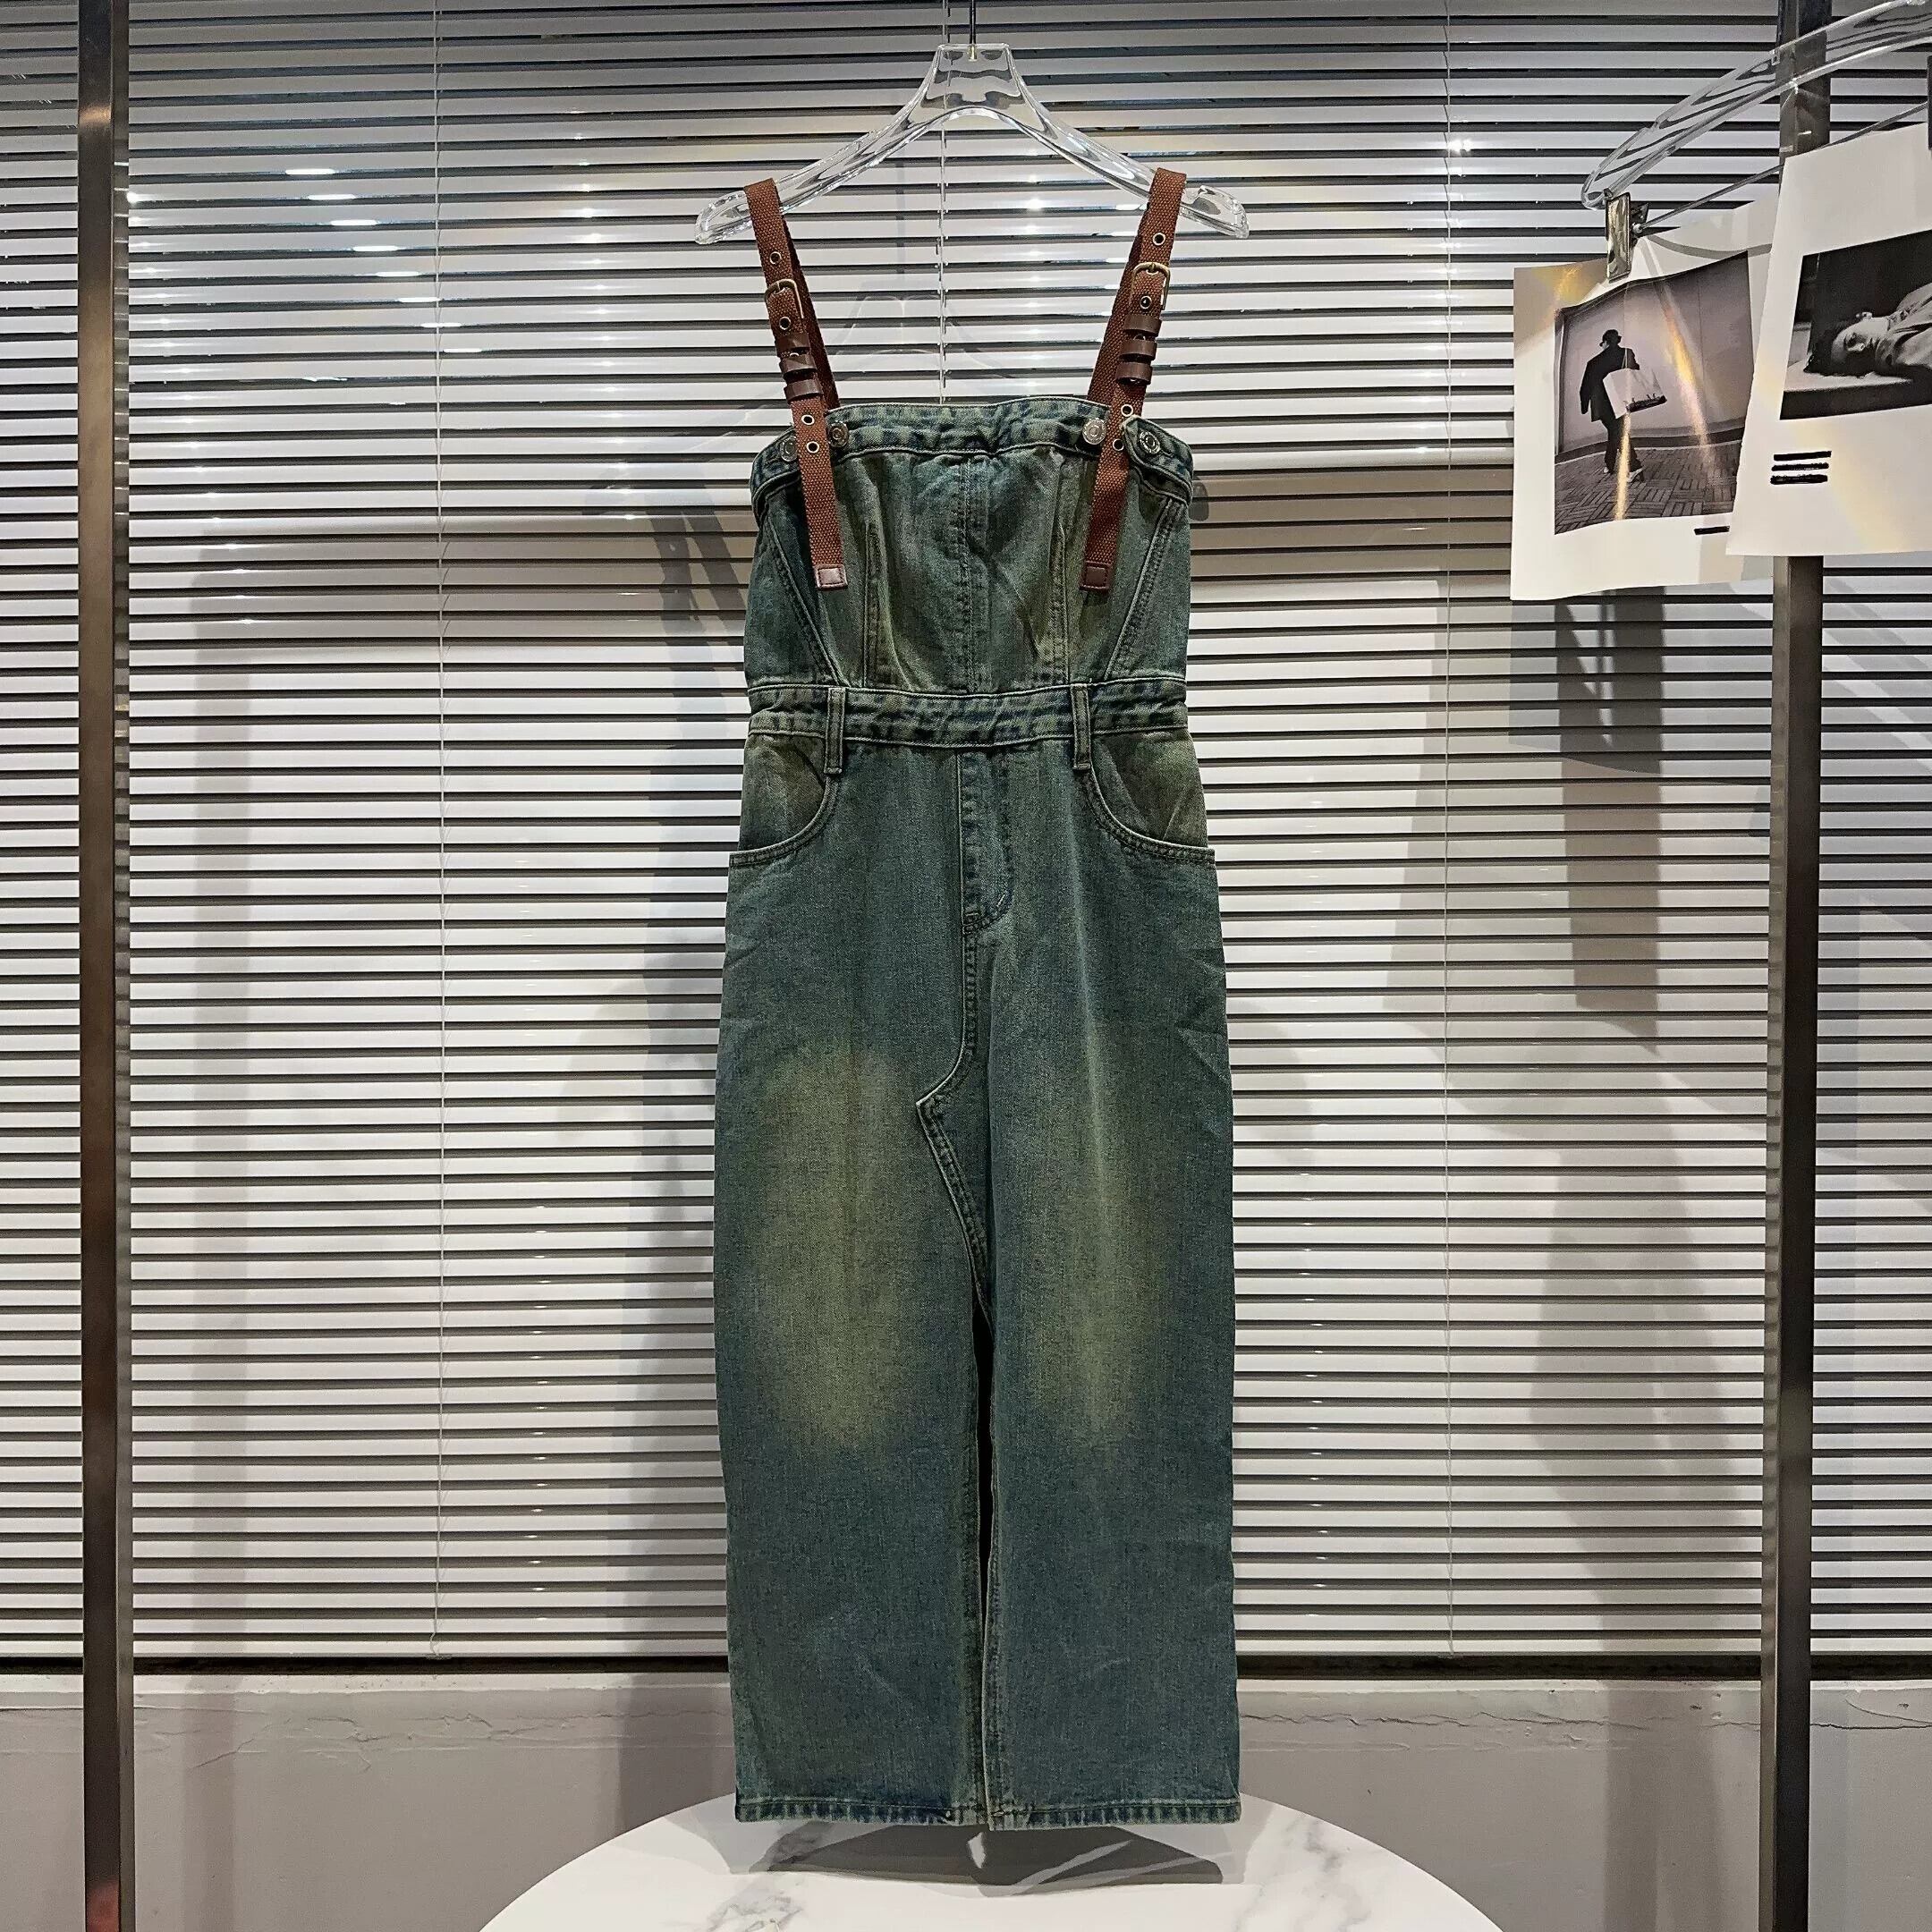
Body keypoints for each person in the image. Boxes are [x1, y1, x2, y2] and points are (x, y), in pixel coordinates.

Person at [1808, 280, 1932, 382]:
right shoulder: (1890, 350)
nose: (1860, 349)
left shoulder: (1910, 298)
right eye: (1852, 360)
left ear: (1864, 316)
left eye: (1852, 340)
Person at [1579, 326, 1646, 479]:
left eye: (1601, 344)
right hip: (1622, 401)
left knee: (1618, 432)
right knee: (1616, 431)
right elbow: (1635, 370)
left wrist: (1584, 406)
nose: (1601, 346)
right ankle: (1609, 464)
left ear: (1605, 342)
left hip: (1603, 406)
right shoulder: (1627, 353)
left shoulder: (1594, 362)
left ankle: (1634, 467)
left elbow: (1585, 387)